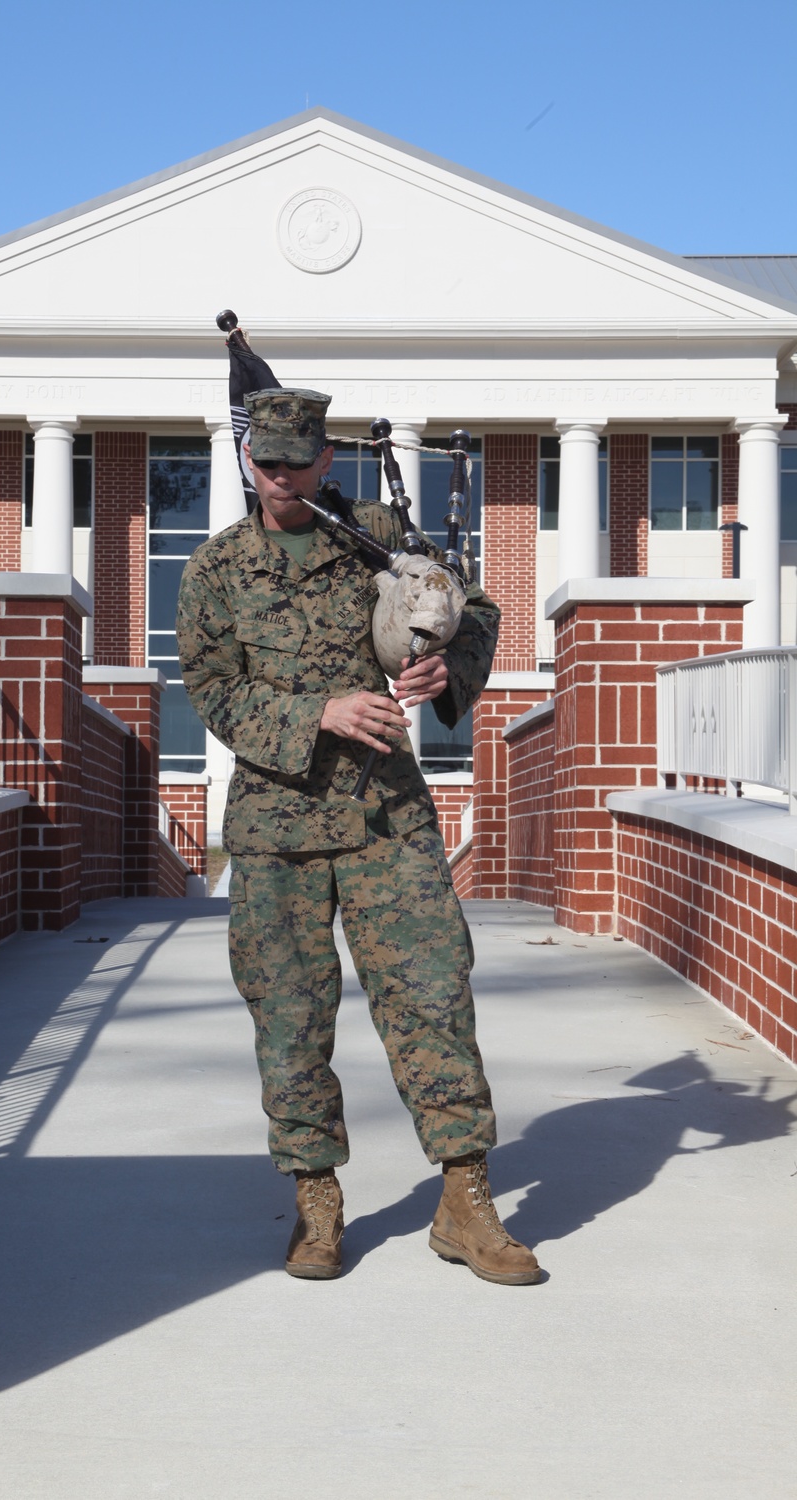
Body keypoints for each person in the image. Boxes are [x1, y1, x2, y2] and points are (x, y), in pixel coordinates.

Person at [176, 387, 540, 1286]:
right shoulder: (217, 569)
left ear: (326, 459)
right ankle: (316, 1202)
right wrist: (321, 711)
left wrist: (440, 662)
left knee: (431, 997)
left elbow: (477, 610)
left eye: (299, 464)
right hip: (276, 829)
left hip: (387, 817)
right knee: (290, 1020)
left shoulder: (379, 534)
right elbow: (211, 690)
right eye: (267, 464)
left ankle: (465, 1200)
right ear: (248, 458)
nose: (282, 479)